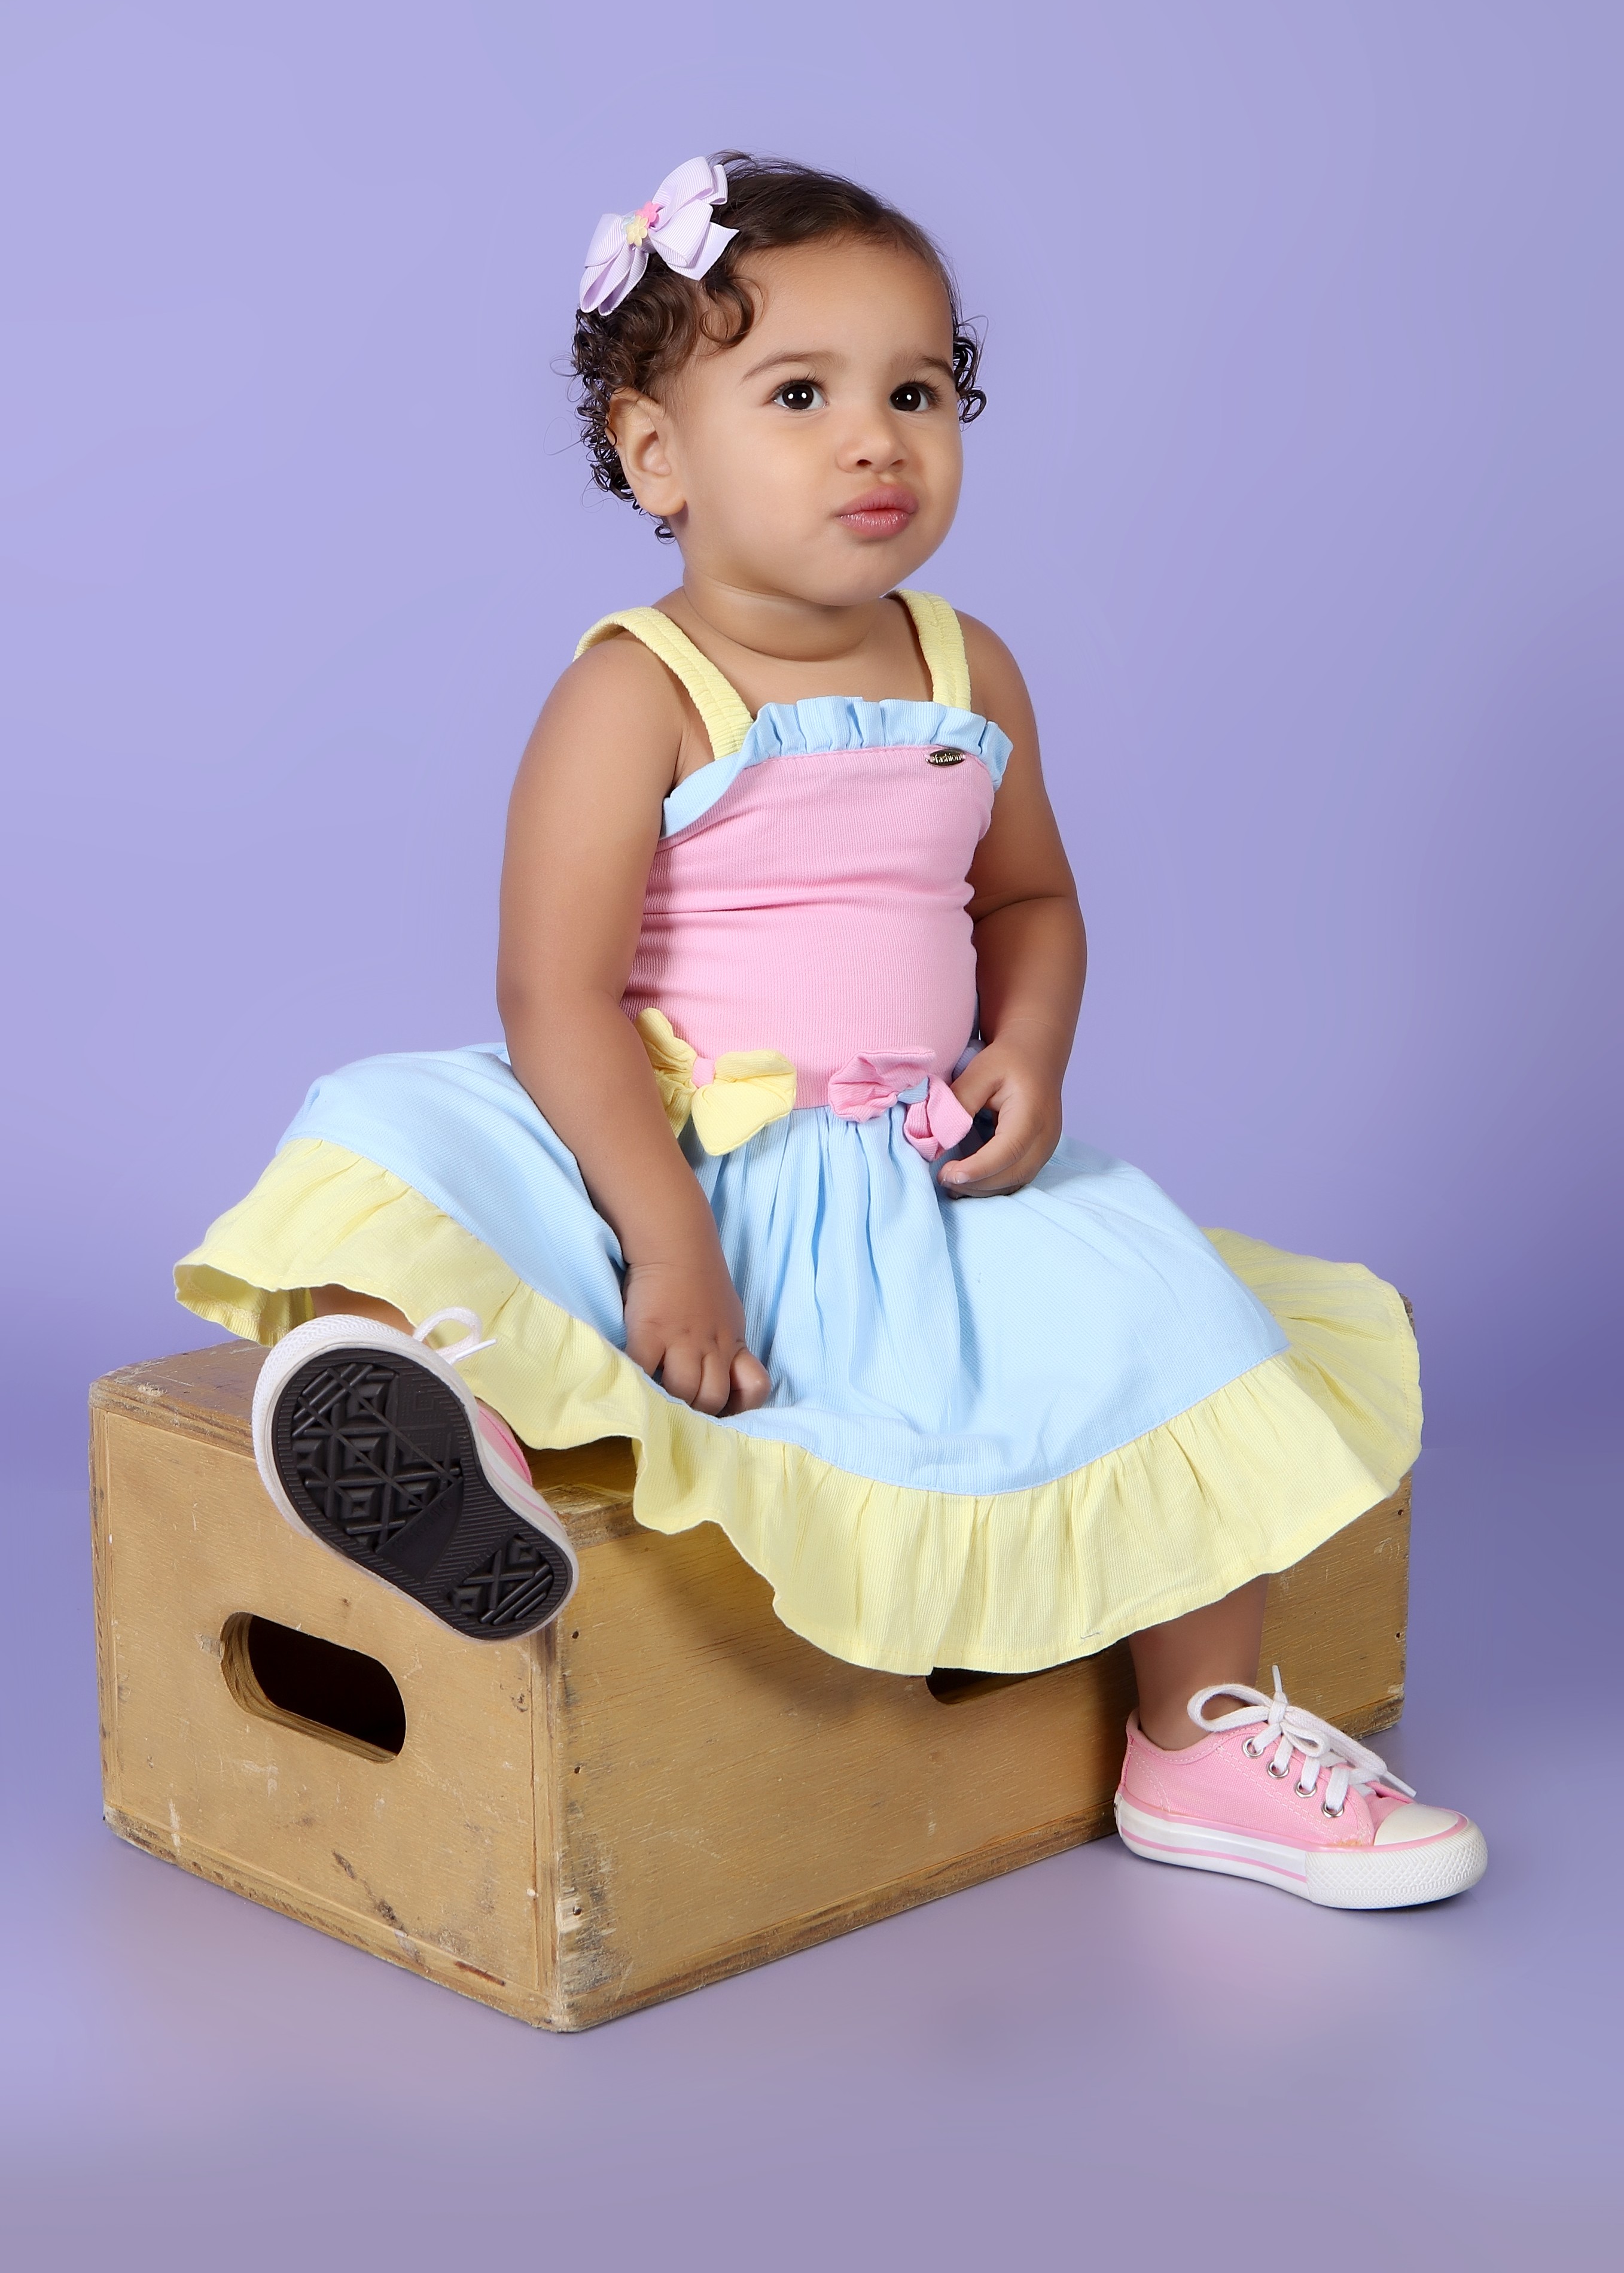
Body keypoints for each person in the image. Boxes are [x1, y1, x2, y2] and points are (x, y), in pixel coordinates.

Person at [180, 153, 1485, 1910]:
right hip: (653, 1144)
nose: (876, 440)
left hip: (901, 1173)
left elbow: (1030, 902)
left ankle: (1197, 1739)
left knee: (1180, 1326)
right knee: (393, 1130)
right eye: (800, 396)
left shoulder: (967, 668)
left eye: (917, 394)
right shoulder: (632, 691)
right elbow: (553, 997)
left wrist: (1030, 1051)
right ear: (658, 455)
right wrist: (668, 1241)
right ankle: (440, 1433)